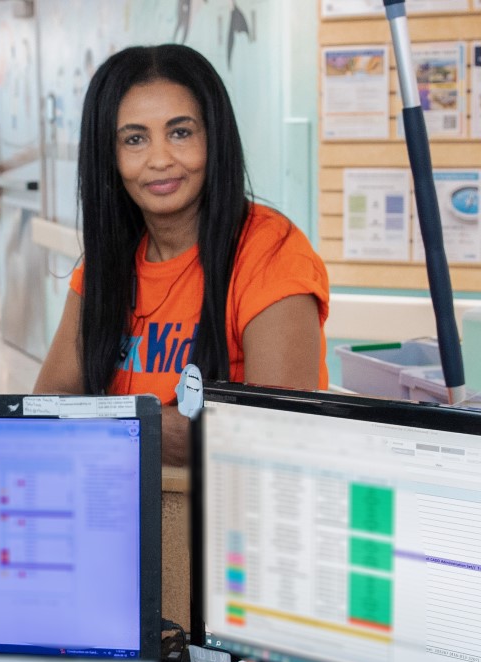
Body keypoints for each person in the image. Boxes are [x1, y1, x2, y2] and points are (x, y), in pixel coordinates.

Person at [34, 44, 329, 465]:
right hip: (127, 512)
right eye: (134, 139)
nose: (159, 160)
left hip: (230, 517)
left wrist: (106, 424)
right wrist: (174, 428)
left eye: (180, 132)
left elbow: (276, 438)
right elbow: (47, 406)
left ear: (213, 137)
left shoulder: (272, 254)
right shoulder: (109, 263)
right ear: (110, 157)